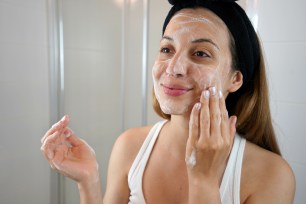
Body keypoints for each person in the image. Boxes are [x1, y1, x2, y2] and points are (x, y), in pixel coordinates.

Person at [40, 0, 296, 203]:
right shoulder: (130, 146)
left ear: (235, 79)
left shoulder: (272, 176)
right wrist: (88, 182)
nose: (173, 68)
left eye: (200, 53)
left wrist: (204, 182)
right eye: (167, 49)